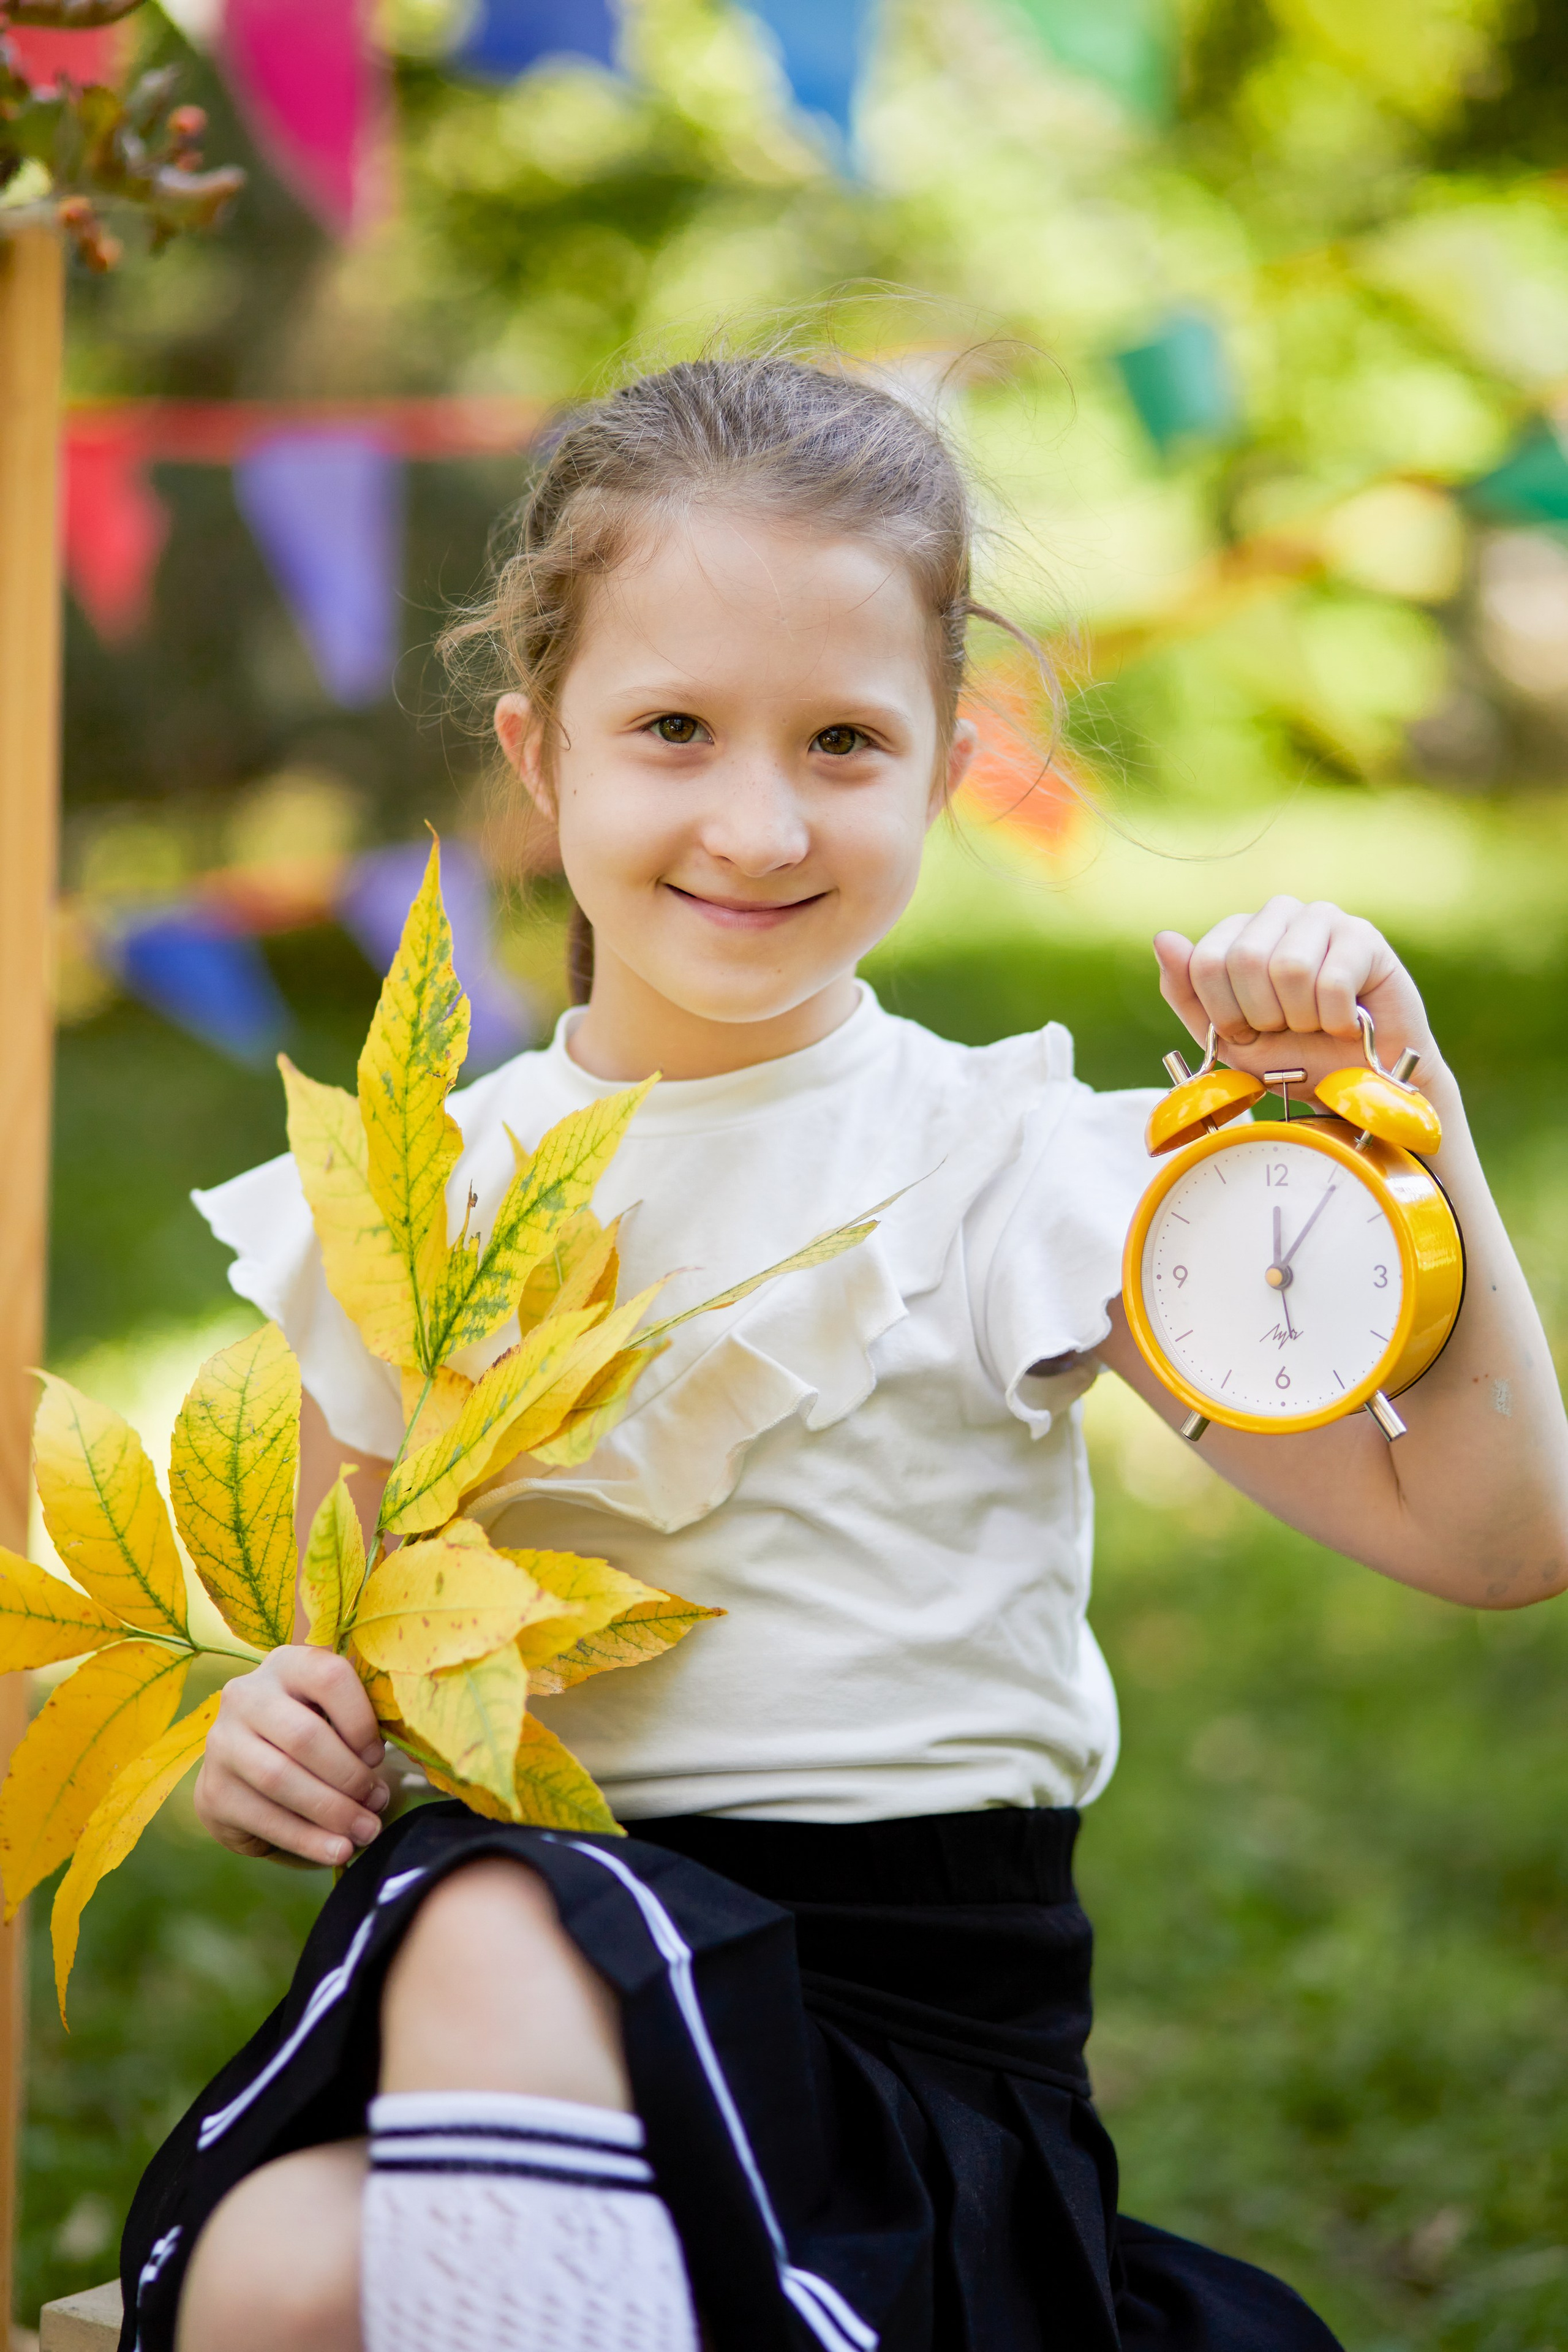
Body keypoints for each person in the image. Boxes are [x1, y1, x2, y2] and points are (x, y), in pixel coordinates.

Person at [123, 353, 1568, 2352]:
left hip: (894, 2083)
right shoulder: (410, 1198)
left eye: (841, 742)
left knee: (488, 1919)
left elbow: (1489, 1532)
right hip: (519, 2039)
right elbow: (326, 1648)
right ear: (541, 757)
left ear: (947, 761)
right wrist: (266, 1731)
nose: (754, 815)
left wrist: (1403, 1102)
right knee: (276, 2262)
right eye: (675, 731)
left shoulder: (1004, 1173)